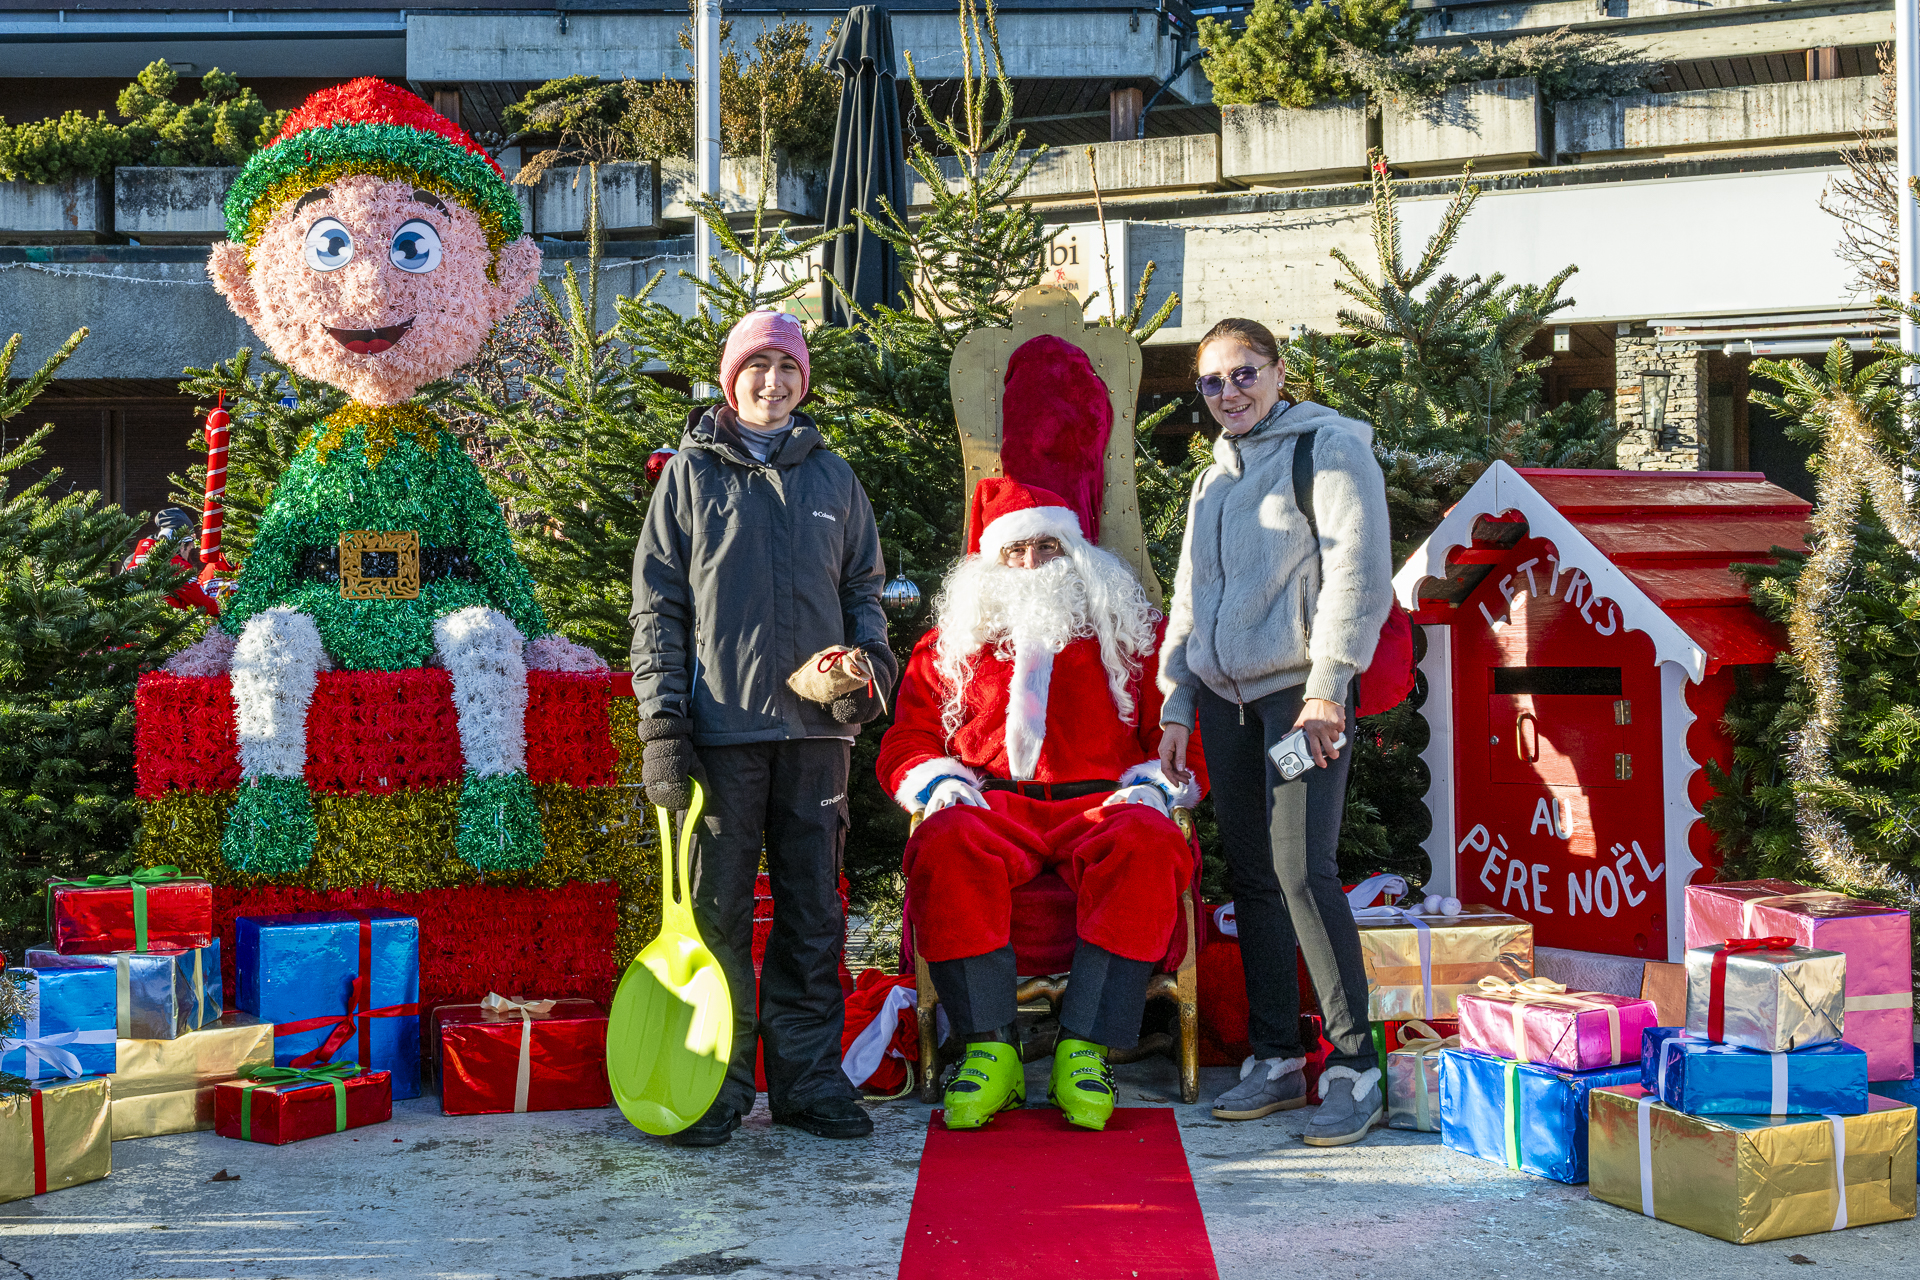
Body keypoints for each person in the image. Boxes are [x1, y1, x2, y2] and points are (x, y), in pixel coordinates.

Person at [630, 308, 897, 1147]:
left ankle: (809, 1085)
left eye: (787, 369)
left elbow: (866, 595)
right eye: (758, 367)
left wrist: (866, 677)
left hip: (817, 740)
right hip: (722, 735)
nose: (772, 383)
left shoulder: (835, 480)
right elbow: (657, 609)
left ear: (802, 382)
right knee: (716, 919)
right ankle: (715, 1086)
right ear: (731, 378)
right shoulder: (689, 477)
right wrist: (663, 726)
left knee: (813, 916)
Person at [877, 477, 1203, 1133]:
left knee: (1149, 841)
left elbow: (1181, 739)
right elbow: (908, 739)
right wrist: (939, 784)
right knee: (943, 841)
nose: (1031, 563)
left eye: (1048, 547)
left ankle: (1084, 1050)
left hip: (1105, 805)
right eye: (1015, 550)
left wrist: (1152, 786)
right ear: (990, 561)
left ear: (1076, 552)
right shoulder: (948, 645)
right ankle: (989, 1051)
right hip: (994, 807)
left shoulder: (1134, 637)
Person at [1156, 317, 1394, 1147]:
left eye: (1244, 373)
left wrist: (1328, 688)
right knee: (1254, 878)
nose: (1229, 393)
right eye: (1212, 382)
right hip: (1225, 703)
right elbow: (1191, 595)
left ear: (1278, 371)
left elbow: (1358, 574)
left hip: (1299, 697)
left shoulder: (1327, 449)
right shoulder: (1211, 479)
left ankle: (1356, 1067)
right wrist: (1177, 702)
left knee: (1302, 871)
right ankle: (1277, 1056)